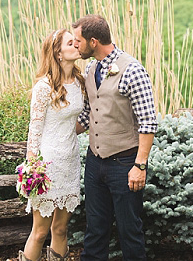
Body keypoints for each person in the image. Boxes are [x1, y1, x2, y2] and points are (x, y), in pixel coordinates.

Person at [72, 14, 158, 261]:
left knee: (129, 231)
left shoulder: (132, 70)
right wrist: (58, 132)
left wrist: (139, 166)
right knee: (95, 230)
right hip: (95, 161)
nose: (76, 45)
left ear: (94, 41)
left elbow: (148, 122)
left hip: (125, 163)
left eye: (78, 40)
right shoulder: (90, 68)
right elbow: (89, 114)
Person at [18, 29, 85, 261]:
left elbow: (81, 121)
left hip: (70, 164)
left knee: (60, 229)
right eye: (70, 42)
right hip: (46, 167)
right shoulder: (43, 87)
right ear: (58, 52)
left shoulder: (79, 82)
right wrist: (32, 169)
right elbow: (34, 130)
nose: (76, 45)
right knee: (39, 232)